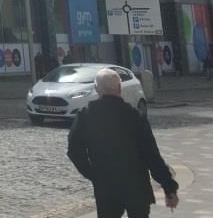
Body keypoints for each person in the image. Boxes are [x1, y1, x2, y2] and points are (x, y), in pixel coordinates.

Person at [67, 68, 179, 217]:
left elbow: (74, 150)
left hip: (106, 186)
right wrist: (169, 187)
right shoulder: (134, 116)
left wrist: (92, 173)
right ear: (119, 88)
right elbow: (152, 155)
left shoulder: (86, 116)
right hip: (136, 185)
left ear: (96, 89)